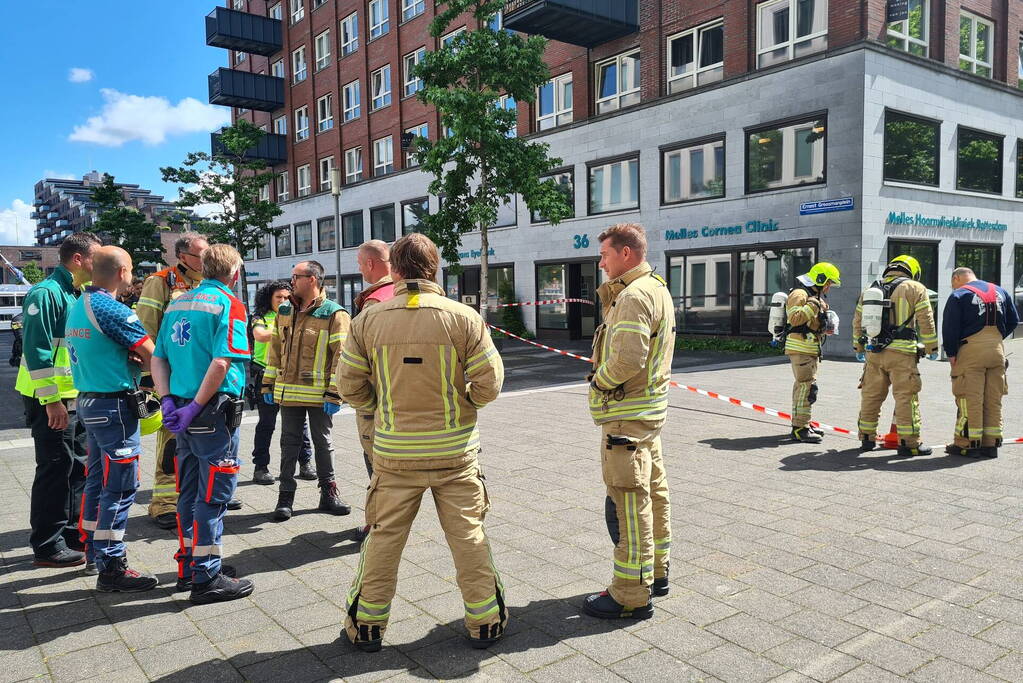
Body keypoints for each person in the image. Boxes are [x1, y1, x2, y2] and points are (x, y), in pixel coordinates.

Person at [338, 233, 506, 652]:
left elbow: (348, 386)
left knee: (383, 539)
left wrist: (379, 407)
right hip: (455, 452)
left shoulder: (367, 320)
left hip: (395, 453)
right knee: (468, 538)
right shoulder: (463, 317)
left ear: (394, 270)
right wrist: (466, 404)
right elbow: (490, 383)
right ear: (434, 268)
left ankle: (367, 627)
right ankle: (485, 623)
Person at [151, 244, 254, 604]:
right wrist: (196, 406)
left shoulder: (177, 303)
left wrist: (168, 400)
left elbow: (158, 358)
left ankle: (189, 566)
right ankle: (207, 577)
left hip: (180, 409)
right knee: (214, 496)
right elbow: (222, 362)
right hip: (211, 412)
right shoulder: (229, 304)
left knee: (189, 493)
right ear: (234, 274)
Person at [584, 223, 674, 621]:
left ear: (626, 253)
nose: (601, 264)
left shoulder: (634, 296)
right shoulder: (656, 287)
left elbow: (626, 360)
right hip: (648, 415)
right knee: (654, 493)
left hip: (627, 418)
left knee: (628, 503)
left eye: (605, 255)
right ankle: (657, 573)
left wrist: (598, 381)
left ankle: (631, 594)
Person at [67, 246, 158, 592]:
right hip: (114, 407)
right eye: (131, 269)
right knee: (120, 487)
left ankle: (93, 551)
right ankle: (112, 567)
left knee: (96, 481)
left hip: (89, 402)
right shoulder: (112, 309)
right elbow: (153, 356)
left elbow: (99, 349)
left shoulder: (80, 305)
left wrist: (124, 359)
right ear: (122, 272)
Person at [16, 232, 100, 568]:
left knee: (76, 466)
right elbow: (36, 350)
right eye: (96, 258)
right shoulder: (46, 293)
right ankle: (47, 544)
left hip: (72, 396)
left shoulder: (76, 293)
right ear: (78, 259)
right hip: (50, 398)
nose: (100, 264)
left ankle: (71, 535)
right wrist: (51, 400)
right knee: (54, 468)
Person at [261, 260, 350, 521]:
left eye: (296, 277)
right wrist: (268, 383)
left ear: (312, 279)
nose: (291, 282)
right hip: (289, 393)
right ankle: (285, 497)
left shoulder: (335, 314)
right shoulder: (285, 310)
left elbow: (342, 357)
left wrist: (335, 392)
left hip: (320, 395)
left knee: (323, 443)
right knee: (289, 444)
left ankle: (329, 494)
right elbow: (275, 349)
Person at [136, 232, 211, 530]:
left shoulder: (209, 283)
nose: (206, 260)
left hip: (202, 376)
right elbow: (146, 330)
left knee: (204, 440)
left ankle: (203, 494)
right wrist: (150, 378)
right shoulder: (161, 282)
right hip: (171, 378)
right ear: (182, 256)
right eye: (200, 255)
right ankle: (165, 503)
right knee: (171, 442)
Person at [852, 255, 939, 457]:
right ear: (912, 272)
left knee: (871, 396)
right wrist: (932, 348)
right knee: (905, 398)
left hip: (874, 352)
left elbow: (857, 321)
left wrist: (858, 348)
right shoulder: (915, 288)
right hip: (902, 354)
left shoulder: (870, 289)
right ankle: (909, 443)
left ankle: (866, 438)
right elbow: (926, 320)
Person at [942, 267, 1020, 458]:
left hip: (970, 352)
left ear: (957, 278)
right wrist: (995, 339)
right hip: (997, 351)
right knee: (993, 398)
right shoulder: (1000, 291)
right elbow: (1014, 321)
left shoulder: (959, 295)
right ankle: (991, 444)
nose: (953, 287)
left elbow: (950, 328)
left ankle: (969, 444)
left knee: (970, 398)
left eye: (952, 283)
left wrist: (951, 353)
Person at [249, 280, 315, 485]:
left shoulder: (297, 315)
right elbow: (260, 336)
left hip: (290, 376)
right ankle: (260, 467)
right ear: (269, 299)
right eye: (278, 297)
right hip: (265, 375)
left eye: (287, 297)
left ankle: (305, 463)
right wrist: (286, 327)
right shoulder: (260, 317)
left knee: (300, 423)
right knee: (267, 424)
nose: (283, 300)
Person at [784, 262, 842, 444]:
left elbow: (811, 321)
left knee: (807, 387)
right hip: (801, 348)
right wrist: (814, 305)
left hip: (809, 348)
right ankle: (800, 429)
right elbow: (795, 319)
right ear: (820, 279)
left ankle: (804, 424)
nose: (828, 287)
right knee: (806, 388)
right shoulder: (800, 294)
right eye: (828, 283)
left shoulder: (812, 296)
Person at [352, 240, 395, 478]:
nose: (360, 269)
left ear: (370, 263)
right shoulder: (409, 292)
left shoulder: (374, 301)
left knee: (381, 475)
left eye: (360, 264)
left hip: (380, 400)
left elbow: (360, 357)